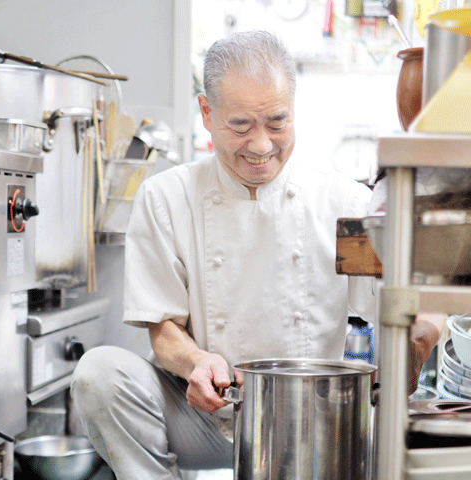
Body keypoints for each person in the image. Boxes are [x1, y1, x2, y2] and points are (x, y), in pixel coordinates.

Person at [71, 30, 443, 479]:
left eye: (277, 122)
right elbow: (163, 327)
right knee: (98, 373)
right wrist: (194, 362)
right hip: (206, 416)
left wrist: (415, 345)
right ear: (207, 114)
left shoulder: (341, 205)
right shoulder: (168, 198)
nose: (262, 145)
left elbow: (414, 305)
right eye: (241, 126)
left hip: (313, 424)